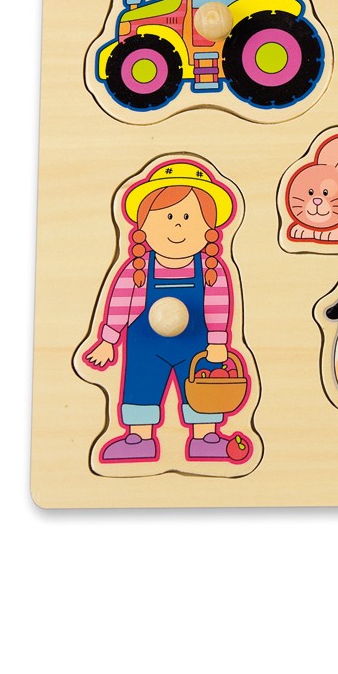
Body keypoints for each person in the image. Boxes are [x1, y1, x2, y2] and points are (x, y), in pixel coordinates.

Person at [84, 161, 249, 464]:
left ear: (209, 229)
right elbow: (122, 302)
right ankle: (138, 438)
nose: (177, 226)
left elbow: (219, 306)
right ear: (143, 226)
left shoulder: (211, 270)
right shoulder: (138, 268)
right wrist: (108, 340)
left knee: (202, 386)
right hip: (145, 343)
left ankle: (205, 437)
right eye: (168, 216)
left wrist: (217, 342)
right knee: (140, 385)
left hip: (197, 344)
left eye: (187, 217)